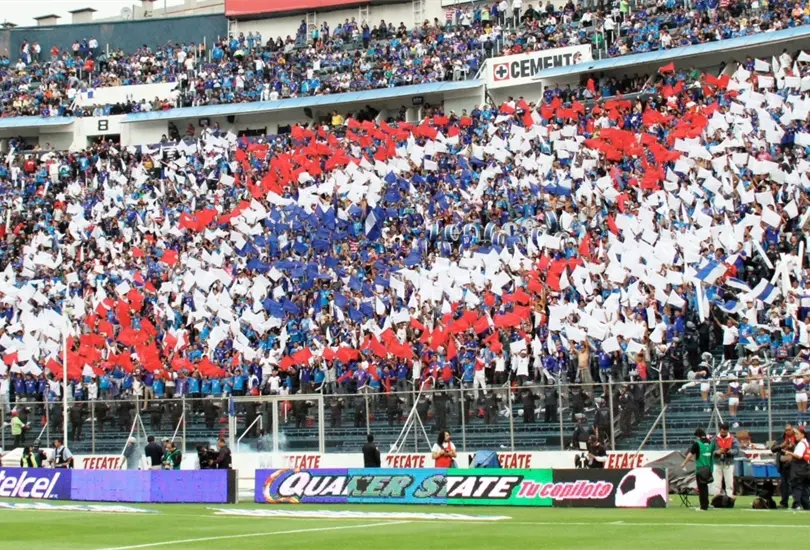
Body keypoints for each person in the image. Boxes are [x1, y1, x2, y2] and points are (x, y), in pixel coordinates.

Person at [681, 428, 713, 511]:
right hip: (709, 468)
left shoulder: (697, 444)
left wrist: (684, 463)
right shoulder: (710, 443)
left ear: (697, 436)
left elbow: (690, 455)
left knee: (701, 488)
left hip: (700, 468)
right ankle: (706, 504)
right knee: (705, 487)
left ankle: (703, 506)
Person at [785, 426, 810, 510]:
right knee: (805, 488)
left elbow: (799, 456)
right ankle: (806, 505)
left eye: (797, 434)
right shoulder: (806, 443)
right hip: (806, 468)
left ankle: (797, 504)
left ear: (802, 435)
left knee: (797, 487)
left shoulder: (801, 444)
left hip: (799, 469)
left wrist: (789, 452)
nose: (795, 435)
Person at [711, 423, 739, 497]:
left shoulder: (733, 439)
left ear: (727, 431)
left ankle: (729, 497)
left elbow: (737, 450)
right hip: (717, 462)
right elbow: (710, 450)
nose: (723, 433)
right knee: (716, 482)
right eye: (722, 432)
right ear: (720, 430)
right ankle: (716, 497)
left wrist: (730, 451)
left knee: (729, 481)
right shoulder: (715, 439)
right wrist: (716, 452)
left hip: (729, 463)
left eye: (725, 432)